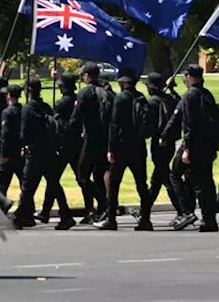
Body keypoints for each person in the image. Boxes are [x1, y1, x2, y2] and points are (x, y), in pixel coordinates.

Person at [162, 65, 219, 232]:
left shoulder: (190, 96)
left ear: (190, 77)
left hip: (194, 144)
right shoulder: (206, 95)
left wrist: (186, 148)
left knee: (174, 174)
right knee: (205, 181)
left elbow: (188, 123)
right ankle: (209, 219)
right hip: (208, 145)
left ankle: (187, 210)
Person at [20, 79, 74, 231]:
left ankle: (20, 216)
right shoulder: (46, 107)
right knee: (54, 183)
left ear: (28, 90)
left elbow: (24, 132)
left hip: (35, 151)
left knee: (28, 185)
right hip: (49, 150)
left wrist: (23, 145)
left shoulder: (28, 109)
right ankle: (66, 215)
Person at [102, 68, 152, 231]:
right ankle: (145, 219)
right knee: (141, 184)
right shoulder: (141, 98)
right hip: (138, 146)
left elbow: (114, 125)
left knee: (114, 183)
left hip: (122, 146)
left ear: (123, 82)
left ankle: (111, 219)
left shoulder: (120, 98)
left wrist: (111, 148)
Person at [71, 62, 111, 223]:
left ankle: (103, 202)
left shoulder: (85, 93)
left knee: (82, 175)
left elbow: (76, 118)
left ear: (87, 76)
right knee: (99, 174)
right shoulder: (107, 91)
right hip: (105, 138)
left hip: (91, 138)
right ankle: (102, 209)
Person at [40, 73, 82, 224]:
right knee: (81, 179)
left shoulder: (61, 104)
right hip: (78, 144)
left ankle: (45, 210)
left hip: (64, 146)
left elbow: (57, 127)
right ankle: (94, 207)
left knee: (53, 179)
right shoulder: (78, 100)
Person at [143, 73, 180, 221]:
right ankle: (144, 209)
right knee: (158, 178)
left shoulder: (152, 102)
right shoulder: (170, 99)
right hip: (169, 142)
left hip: (158, 142)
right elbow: (179, 102)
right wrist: (172, 90)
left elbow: (147, 125)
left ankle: (183, 209)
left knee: (165, 176)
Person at [0, 84, 26, 224]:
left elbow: (6, 135)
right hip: (20, 153)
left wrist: (3, 154)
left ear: (9, 96)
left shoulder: (7, 112)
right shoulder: (22, 110)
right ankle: (27, 210)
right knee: (24, 184)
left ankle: (2, 207)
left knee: (1, 184)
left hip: (8, 153)